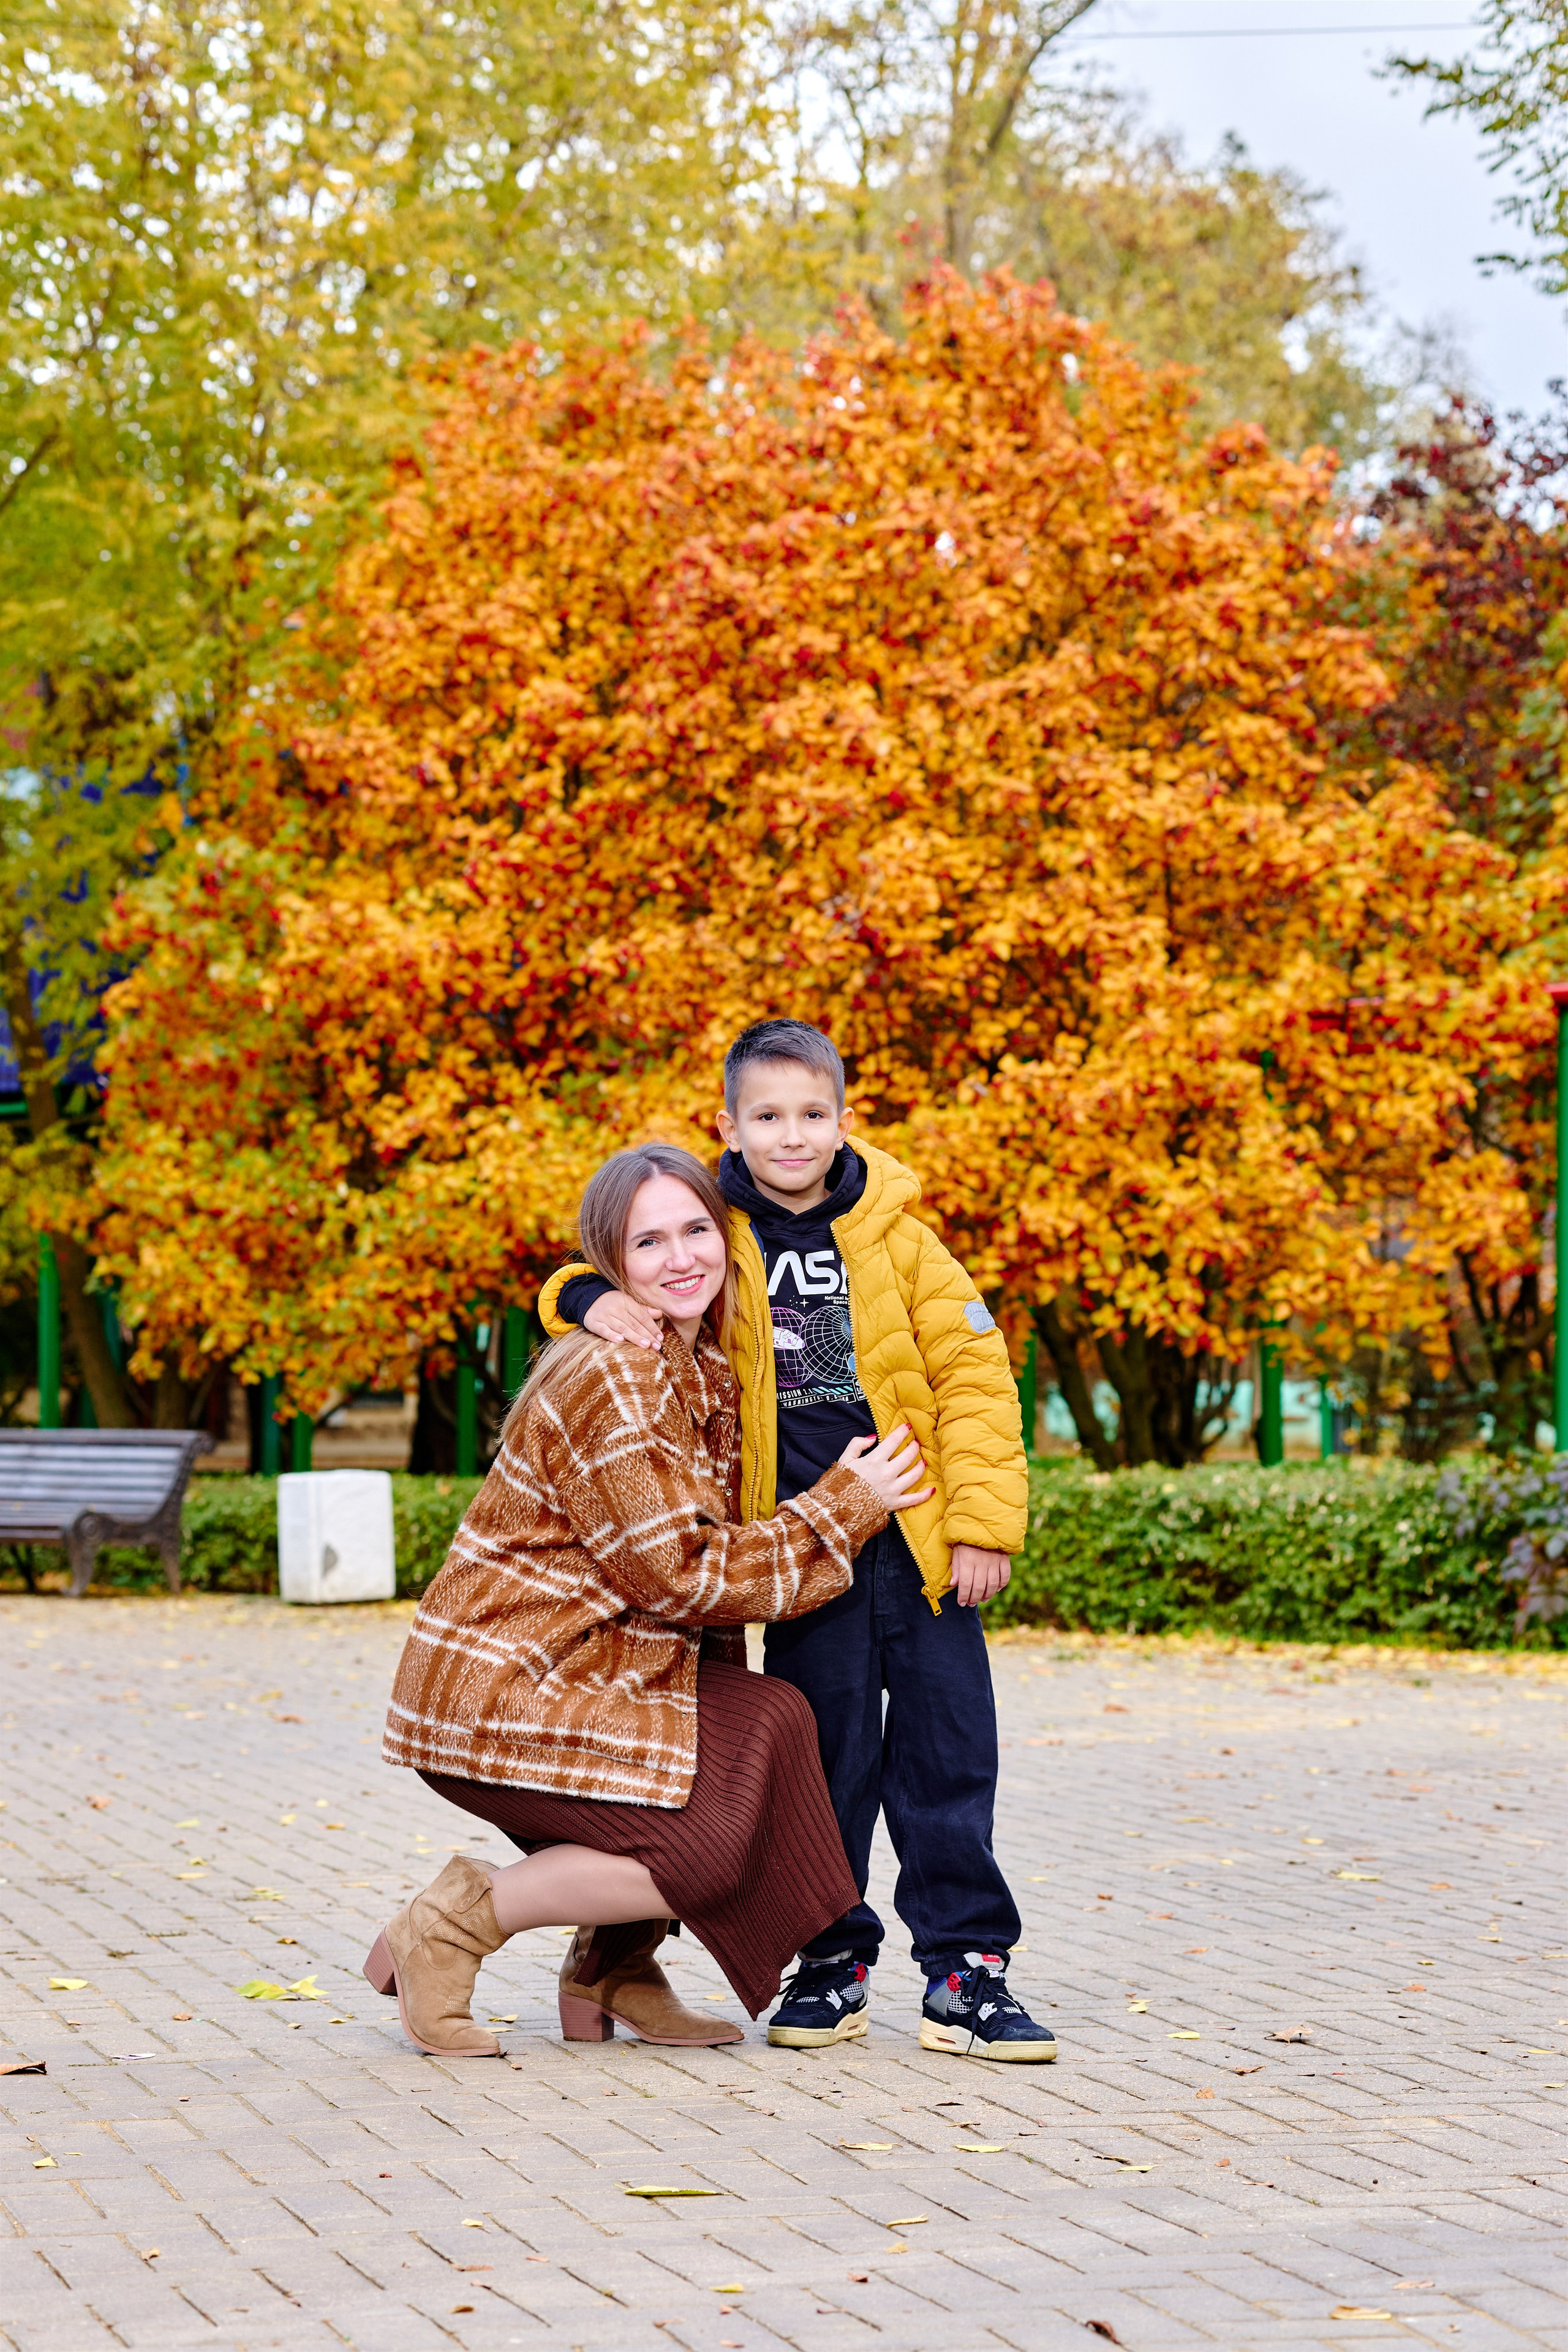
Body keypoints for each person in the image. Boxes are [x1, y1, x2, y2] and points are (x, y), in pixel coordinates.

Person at [540, 1019, 1054, 2063]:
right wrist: (591, 1300)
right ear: (729, 1125)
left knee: (949, 1756)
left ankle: (967, 1971)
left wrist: (981, 1526)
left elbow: (975, 1380)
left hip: (917, 1547)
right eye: (767, 1116)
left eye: (812, 1114)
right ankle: (831, 1963)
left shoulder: (901, 1237)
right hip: (802, 1557)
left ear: (843, 1119)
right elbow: (588, 1274)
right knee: (825, 1769)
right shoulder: (714, 1232)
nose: (791, 1136)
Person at [369, 1139, 931, 2057]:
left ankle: (615, 1968)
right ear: (613, 1265)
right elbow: (678, 1574)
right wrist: (844, 1506)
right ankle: (451, 1925)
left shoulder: (703, 1361)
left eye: (696, 1230)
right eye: (647, 1243)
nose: (680, 1258)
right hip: (510, 1683)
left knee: (770, 1721)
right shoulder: (617, 1375)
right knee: (708, 1857)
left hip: (602, 1664)